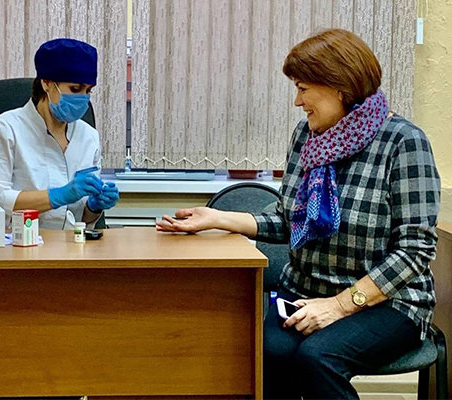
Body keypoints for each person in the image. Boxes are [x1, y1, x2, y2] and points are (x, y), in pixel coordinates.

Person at [156, 28, 440, 399]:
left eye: (303, 89)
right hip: (305, 291)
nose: (297, 101)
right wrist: (216, 219)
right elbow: (292, 221)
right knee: (266, 354)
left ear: (339, 87)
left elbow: (415, 250)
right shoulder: (308, 136)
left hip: (388, 302)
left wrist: (339, 306)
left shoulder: (403, 142)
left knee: (318, 357)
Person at [0, 38, 119, 229]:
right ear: (46, 83)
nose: (83, 98)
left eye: (88, 91)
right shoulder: (6, 128)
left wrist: (94, 207)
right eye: (75, 89)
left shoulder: (89, 136)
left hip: (71, 243)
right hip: (20, 241)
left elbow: (82, 221)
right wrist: (58, 196)